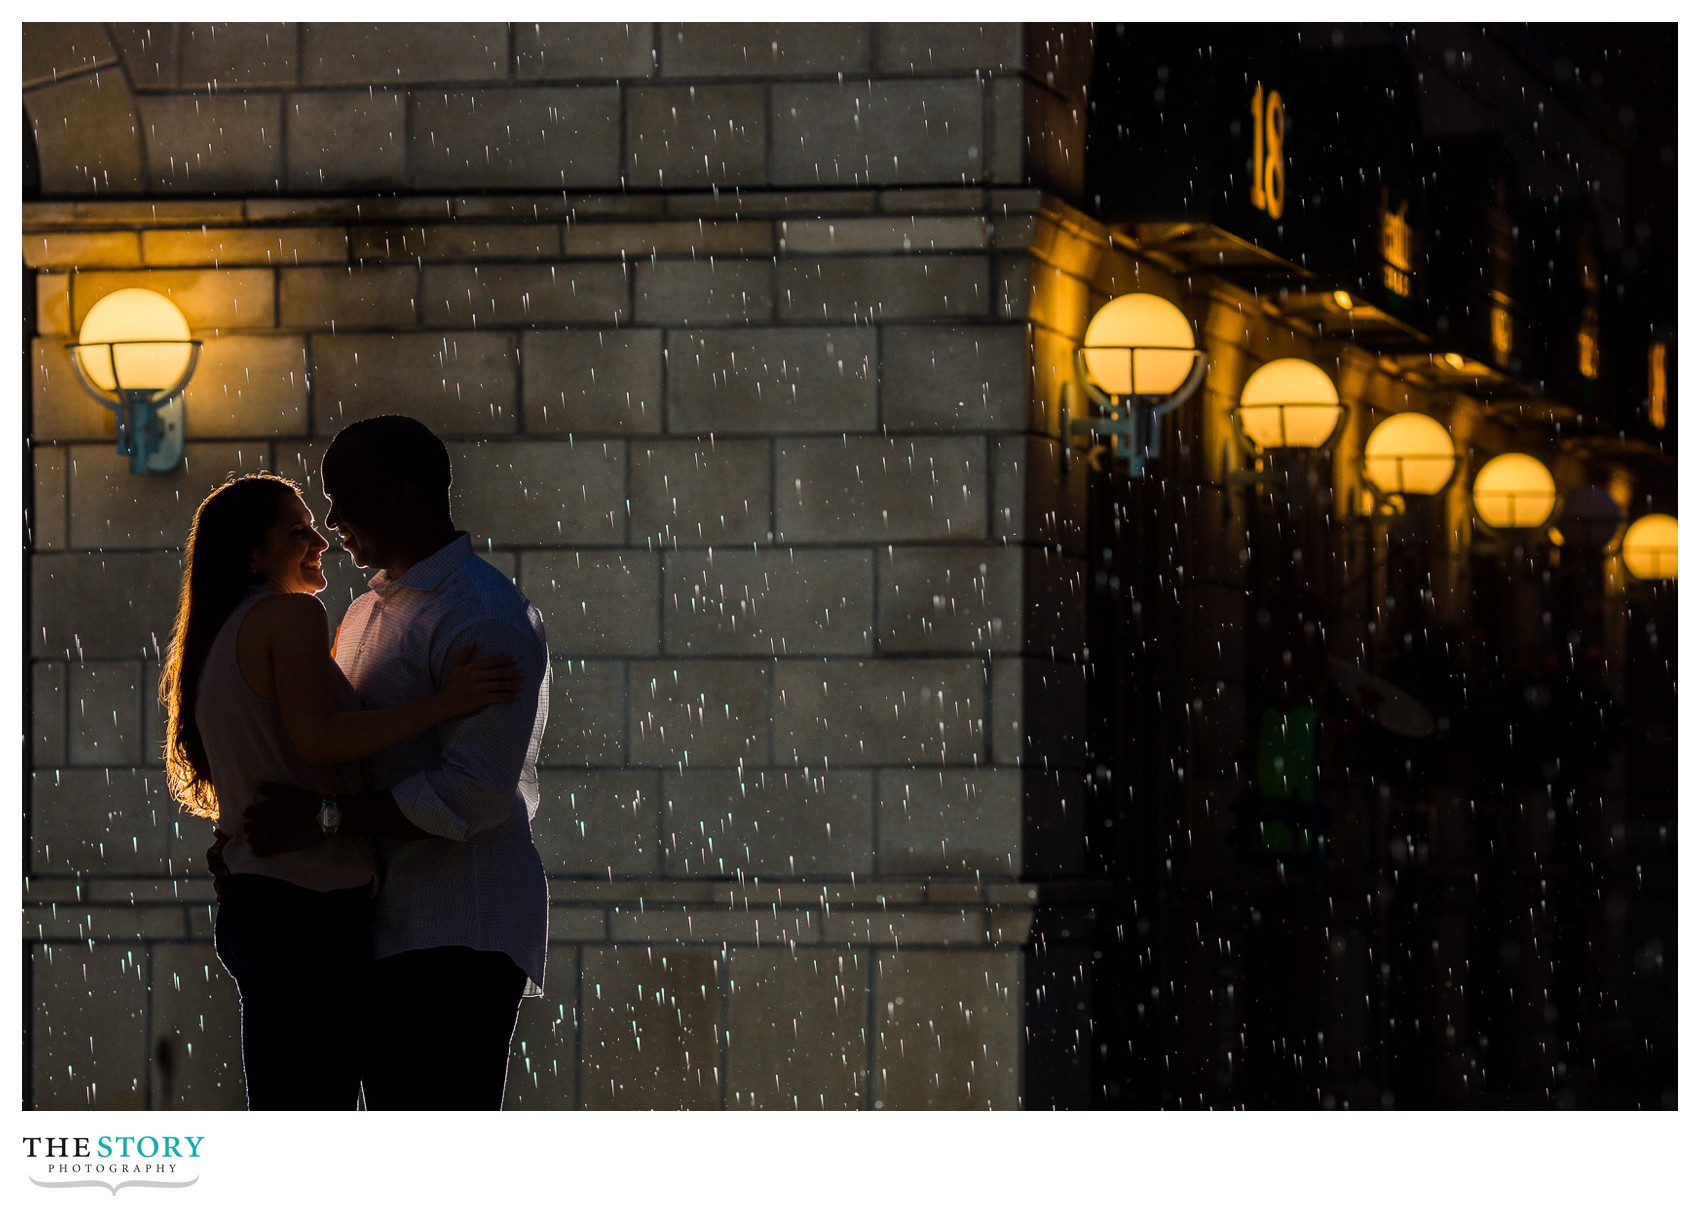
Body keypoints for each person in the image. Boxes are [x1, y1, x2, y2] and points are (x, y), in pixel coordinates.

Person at [161, 472, 522, 1110]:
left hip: (258, 902)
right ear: (252, 553)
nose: (321, 540)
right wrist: (446, 703)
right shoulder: (291, 614)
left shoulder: (219, 633)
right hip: (308, 910)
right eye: (297, 532)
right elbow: (322, 739)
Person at [244, 415, 551, 1111]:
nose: (332, 520)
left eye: (344, 497)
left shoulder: (483, 617)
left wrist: (319, 822)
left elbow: (472, 797)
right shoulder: (364, 615)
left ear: (404, 495)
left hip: (456, 932)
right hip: (386, 931)